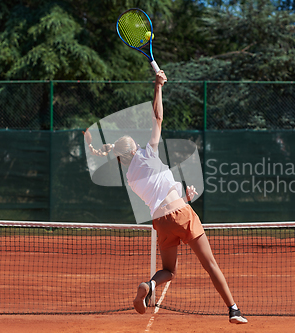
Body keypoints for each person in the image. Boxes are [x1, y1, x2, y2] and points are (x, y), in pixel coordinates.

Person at [84, 70, 247, 324]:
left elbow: (161, 191)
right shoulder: (147, 155)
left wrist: (185, 194)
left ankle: (149, 284)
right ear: (134, 149)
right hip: (182, 215)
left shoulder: (130, 177)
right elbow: (157, 118)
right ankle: (233, 309)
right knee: (211, 264)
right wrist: (158, 86)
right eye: (136, 145)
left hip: (161, 223)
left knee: (169, 271)